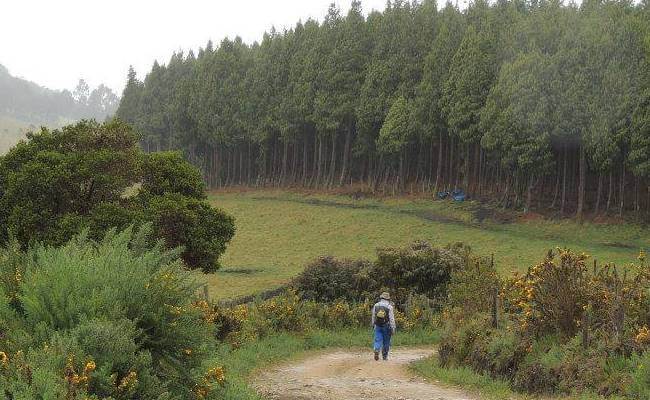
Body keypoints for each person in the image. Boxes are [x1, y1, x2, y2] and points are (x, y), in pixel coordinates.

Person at [371, 291, 396, 361]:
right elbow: (391, 319)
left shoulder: (376, 305)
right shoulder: (389, 307)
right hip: (386, 326)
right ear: (388, 299)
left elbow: (373, 316)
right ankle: (384, 356)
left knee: (377, 339)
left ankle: (376, 349)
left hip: (378, 325)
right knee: (386, 341)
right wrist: (393, 328)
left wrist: (373, 324)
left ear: (381, 298)